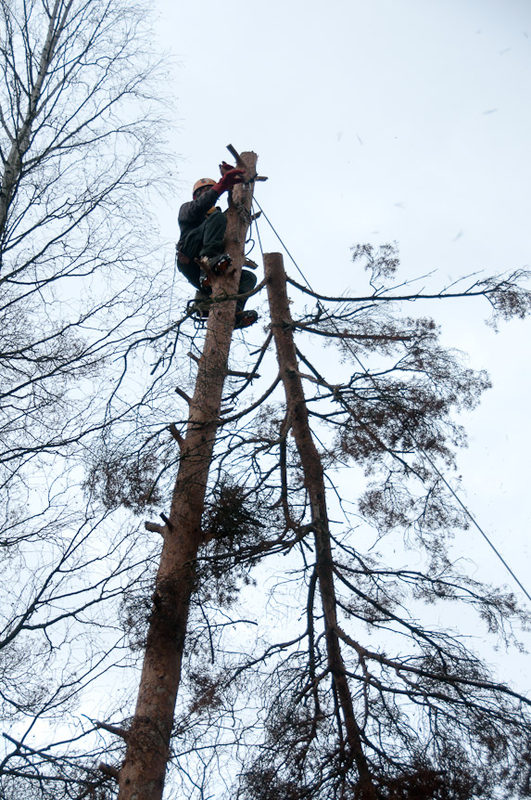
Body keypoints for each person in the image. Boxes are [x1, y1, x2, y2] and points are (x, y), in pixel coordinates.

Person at [176, 161, 258, 328]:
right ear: (195, 196)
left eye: (209, 190)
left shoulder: (218, 218)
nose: (206, 193)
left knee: (249, 277)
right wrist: (221, 185)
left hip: (208, 271)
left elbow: (236, 210)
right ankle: (209, 260)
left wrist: (234, 187)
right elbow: (202, 204)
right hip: (190, 257)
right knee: (217, 217)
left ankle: (235, 312)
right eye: (202, 191)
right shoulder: (187, 210)